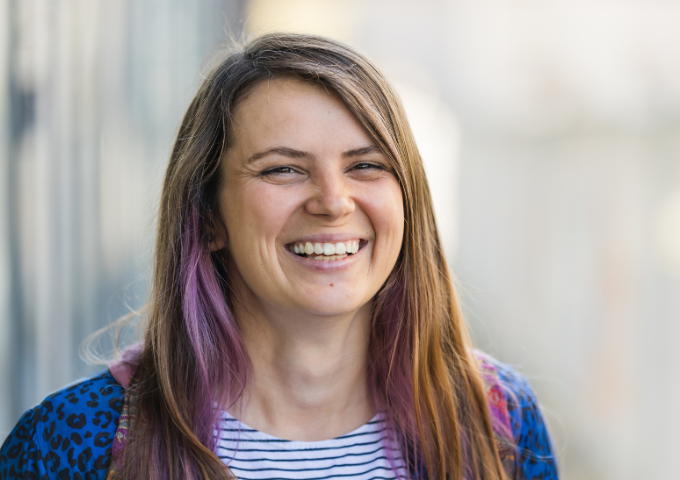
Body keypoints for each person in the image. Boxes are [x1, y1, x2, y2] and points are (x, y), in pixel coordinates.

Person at [0, 33, 557, 480]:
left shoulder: (496, 422)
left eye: (366, 165)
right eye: (283, 169)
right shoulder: (75, 442)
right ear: (209, 216)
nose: (334, 202)